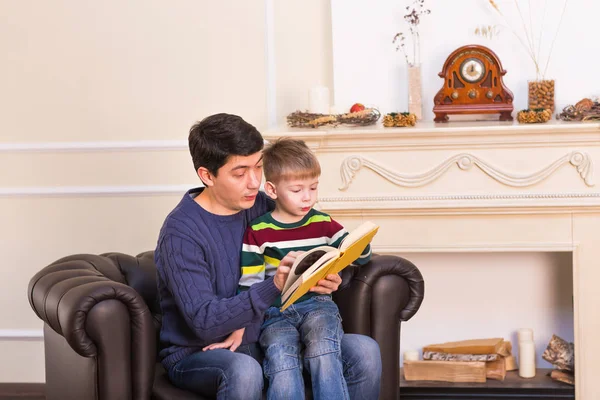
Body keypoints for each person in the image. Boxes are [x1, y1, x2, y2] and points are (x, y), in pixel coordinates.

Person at [155, 113, 382, 400]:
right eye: (240, 173)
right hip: (200, 351)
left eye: (258, 167)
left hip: (269, 332)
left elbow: (313, 237)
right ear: (207, 175)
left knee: (364, 351)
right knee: (243, 370)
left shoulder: (263, 206)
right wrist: (274, 285)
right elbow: (204, 322)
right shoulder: (181, 233)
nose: (254, 182)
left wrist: (326, 275)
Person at [234, 137, 372, 400]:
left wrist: (360, 244)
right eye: (297, 190)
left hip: (318, 305)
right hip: (276, 313)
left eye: (313, 188)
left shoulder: (324, 223)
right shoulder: (258, 231)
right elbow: (249, 286)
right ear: (272, 190)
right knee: (281, 363)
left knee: (324, 351)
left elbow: (358, 256)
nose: (307, 197)